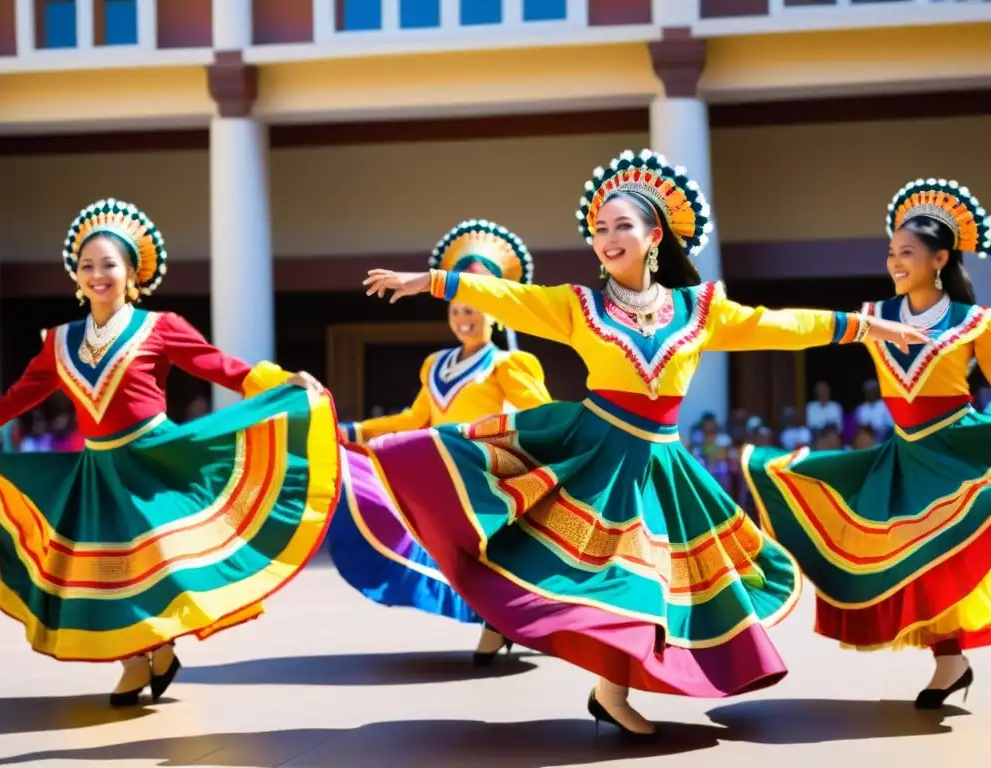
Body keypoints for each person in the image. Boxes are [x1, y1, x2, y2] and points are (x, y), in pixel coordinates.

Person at [359, 149, 927, 737]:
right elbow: (511, 299)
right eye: (599, 229)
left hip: (659, 465)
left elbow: (778, 326)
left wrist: (865, 326)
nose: (607, 238)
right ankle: (604, 685)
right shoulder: (579, 306)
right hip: (596, 456)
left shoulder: (699, 311)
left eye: (621, 225)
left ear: (654, 235)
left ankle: (610, 693)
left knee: (656, 582)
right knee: (617, 580)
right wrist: (425, 281)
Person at [0, 198, 341, 706]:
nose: (98, 274)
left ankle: (154, 651)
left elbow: (218, 366)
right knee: (104, 569)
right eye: (87, 265)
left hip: (156, 463)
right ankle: (139, 659)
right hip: (97, 472)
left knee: (159, 564)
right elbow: (19, 397)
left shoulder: (159, 326)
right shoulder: (58, 342)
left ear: (131, 274)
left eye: (109, 265)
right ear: (76, 276)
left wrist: (281, 382)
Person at [743, 177, 991, 709]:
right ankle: (951, 661)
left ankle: (950, 661)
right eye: (891, 253)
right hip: (904, 453)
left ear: (940, 259)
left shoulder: (974, 322)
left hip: (955, 450)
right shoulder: (872, 315)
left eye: (908, 253)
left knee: (944, 556)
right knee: (898, 553)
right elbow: (818, 329)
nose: (895, 262)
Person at [334, 220, 552, 664]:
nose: (464, 319)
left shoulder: (510, 364)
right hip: (441, 472)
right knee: (445, 547)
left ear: (495, 314)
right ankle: (497, 618)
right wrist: (352, 433)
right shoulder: (435, 363)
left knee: (491, 551)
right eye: (456, 311)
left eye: (473, 310)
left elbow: (542, 413)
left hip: (486, 473)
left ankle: (501, 621)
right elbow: (415, 419)